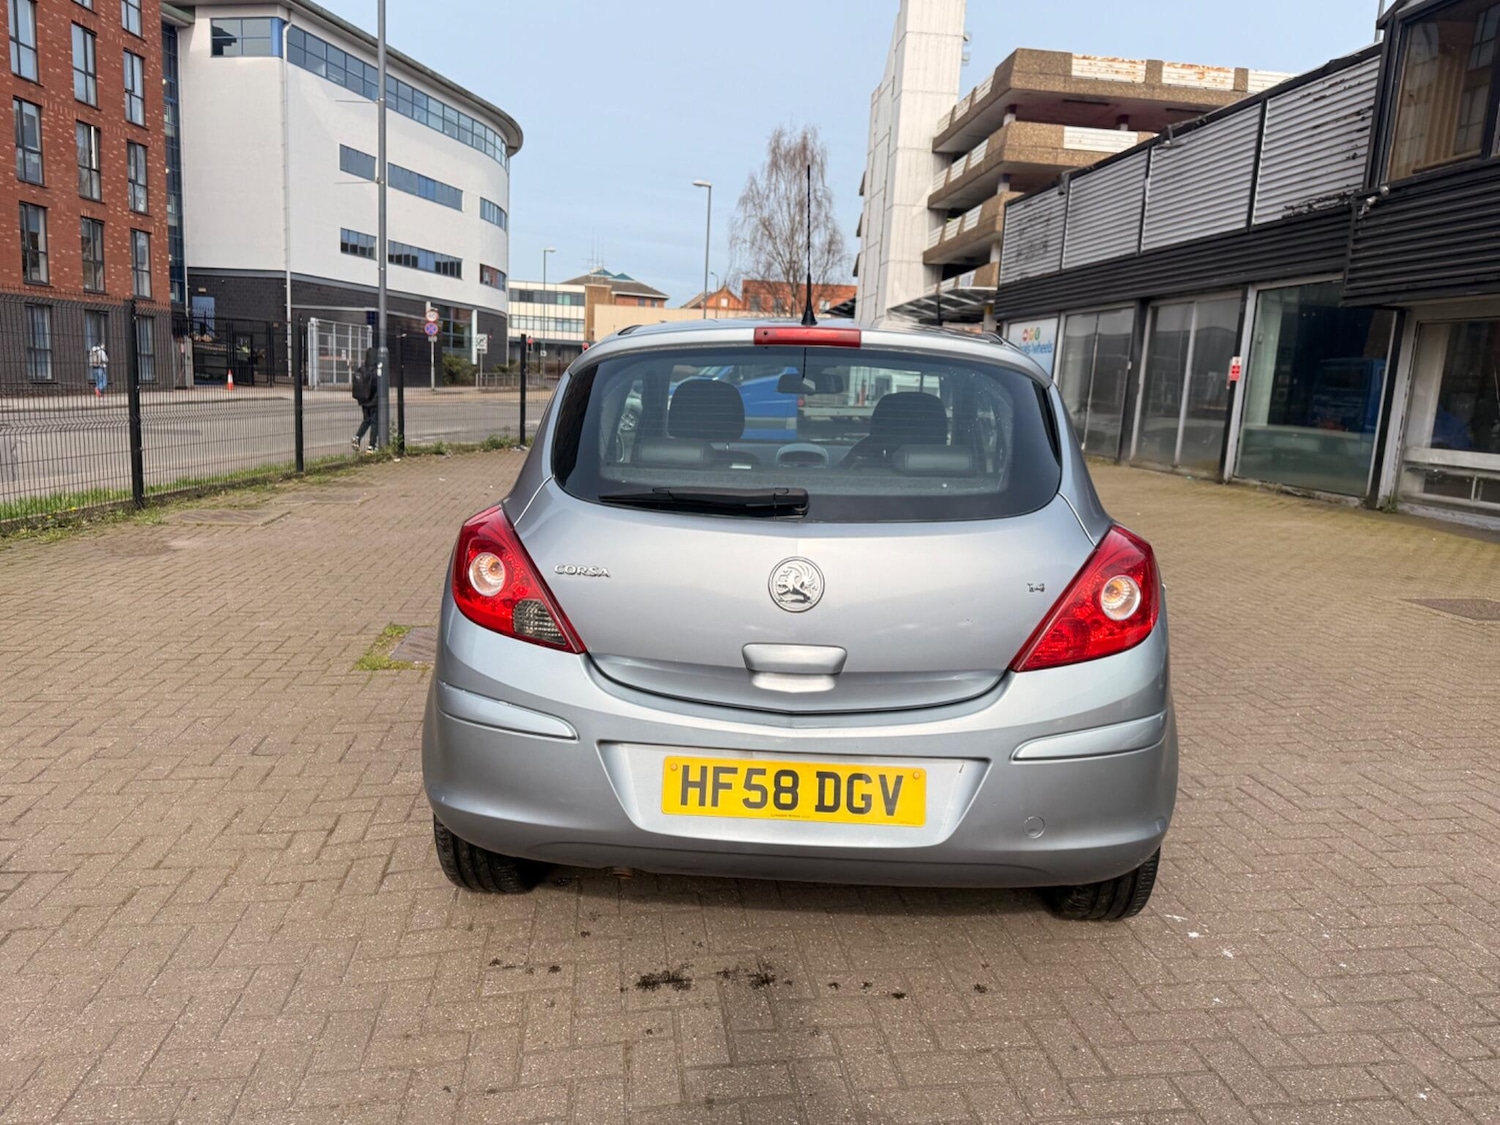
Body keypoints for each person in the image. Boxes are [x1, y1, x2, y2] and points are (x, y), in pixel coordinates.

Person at [352, 347, 380, 452]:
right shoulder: (377, 371)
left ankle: (357, 437)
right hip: (374, 401)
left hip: (363, 400)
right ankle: (372, 446)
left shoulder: (361, 369)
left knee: (366, 420)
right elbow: (378, 387)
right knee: (374, 422)